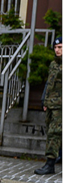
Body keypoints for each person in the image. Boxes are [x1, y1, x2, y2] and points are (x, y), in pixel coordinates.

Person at [35, 37, 62, 175]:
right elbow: (49, 83)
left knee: (54, 133)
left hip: (60, 106)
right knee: (52, 132)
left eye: (60, 47)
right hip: (51, 104)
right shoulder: (53, 64)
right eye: (55, 47)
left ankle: (50, 164)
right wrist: (44, 101)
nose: (57, 50)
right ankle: (58, 156)